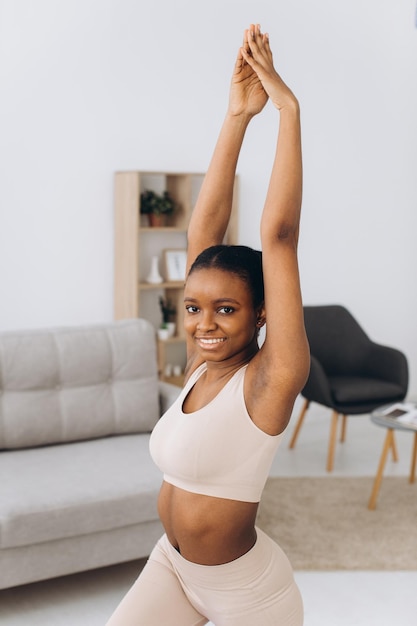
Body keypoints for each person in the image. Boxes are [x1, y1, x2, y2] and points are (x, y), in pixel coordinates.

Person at [106, 23, 310, 626]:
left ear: (263, 314)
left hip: (249, 595)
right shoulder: (202, 366)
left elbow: (279, 236)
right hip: (172, 567)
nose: (204, 325)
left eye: (227, 310)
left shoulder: (272, 378)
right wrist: (237, 116)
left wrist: (287, 110)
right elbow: (203, 236)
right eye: (195, 308)